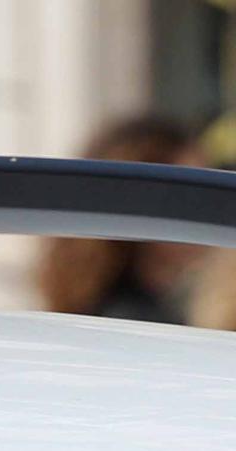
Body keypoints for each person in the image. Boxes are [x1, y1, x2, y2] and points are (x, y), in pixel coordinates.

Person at [38, 116, 217, 326]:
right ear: (139, 203)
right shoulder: (134, 320)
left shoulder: (101, 305)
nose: (206, 209)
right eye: (185, 197)